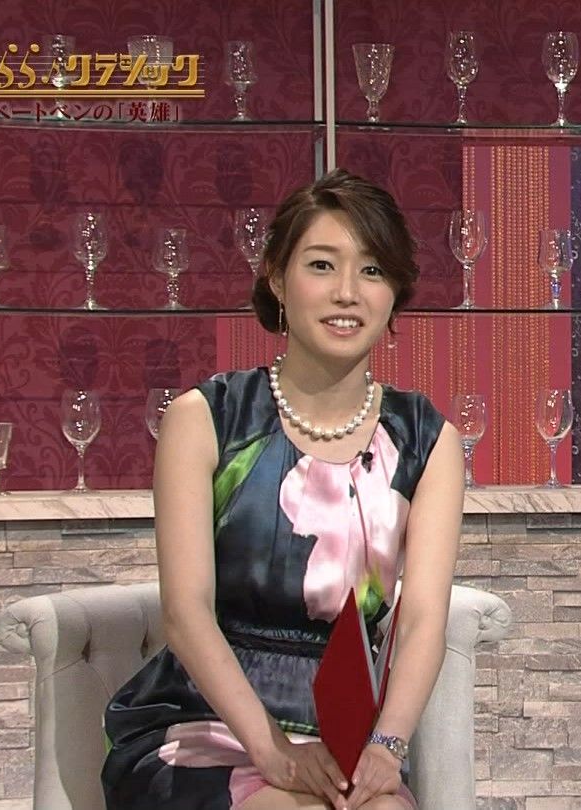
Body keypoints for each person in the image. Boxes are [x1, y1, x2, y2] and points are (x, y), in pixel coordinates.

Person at [103, 169, 463, 810]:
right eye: (322, 265)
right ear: (276, 276)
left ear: (395, 291)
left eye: (372, 270)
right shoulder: (207, 419)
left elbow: (422, 620)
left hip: (345, 732)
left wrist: (388, 747)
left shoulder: (426, 440)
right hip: (204, 720)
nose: (347, 292)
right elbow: (186, 614)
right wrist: (272, 752)